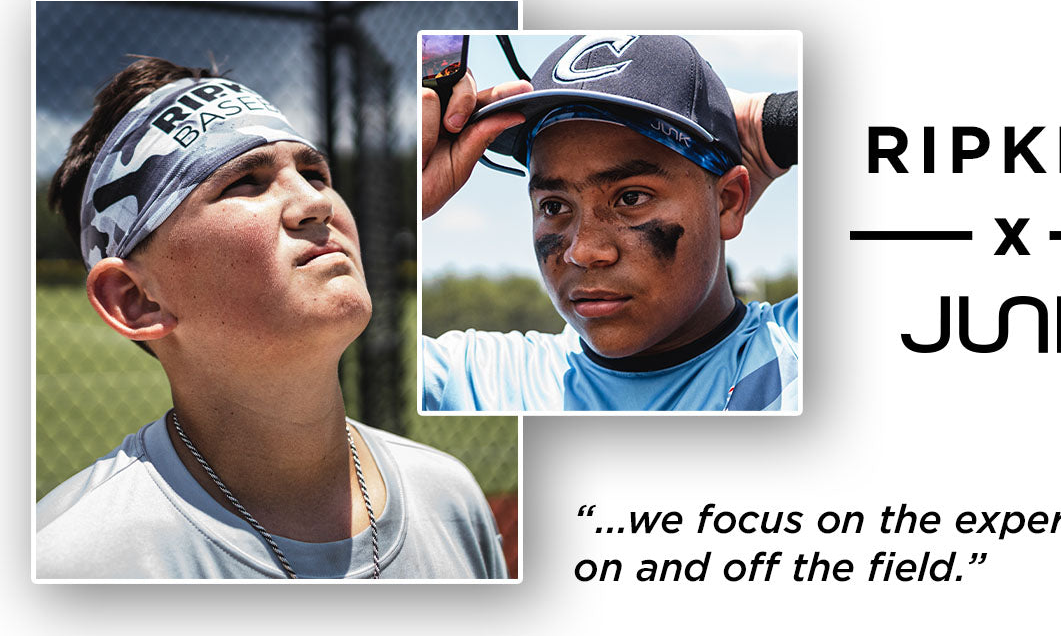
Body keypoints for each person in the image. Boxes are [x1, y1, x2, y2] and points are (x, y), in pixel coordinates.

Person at [37, 57, 507, 579]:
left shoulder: (449, 496)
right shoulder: (71, 562)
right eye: (245, 182)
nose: (314, 203)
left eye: (314, 173)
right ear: (136, 298)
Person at [420, 35, 799, 411]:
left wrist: (774, 122)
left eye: (631, 198)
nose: (583, 251)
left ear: (728, 202)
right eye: (553, 206)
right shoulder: (479, 380)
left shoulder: (795, 351)